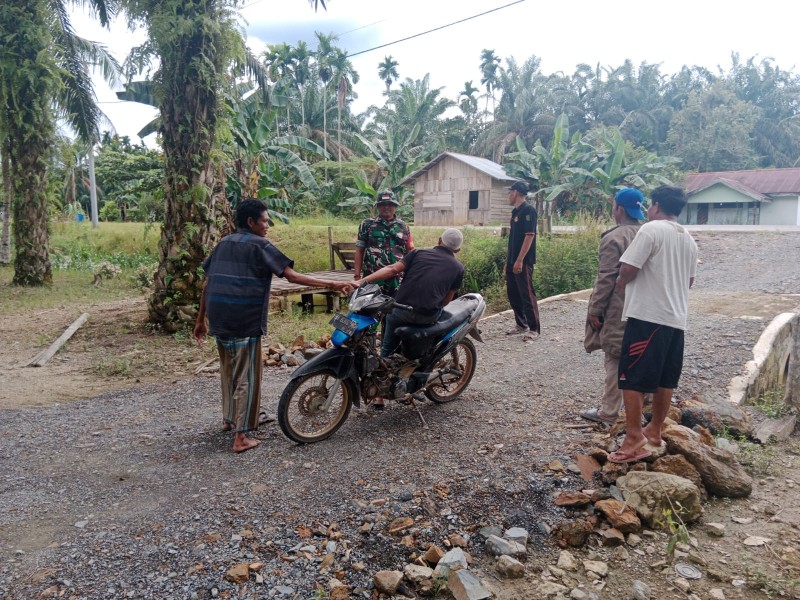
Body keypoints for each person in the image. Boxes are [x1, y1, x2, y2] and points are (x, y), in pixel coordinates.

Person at [193, 199, 352, 453]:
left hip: (219, 317)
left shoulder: (223, 243)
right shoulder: (260, 245)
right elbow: (292, 276)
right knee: (247, 375)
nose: (268, 225)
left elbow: (208, 282)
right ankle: (241, 437)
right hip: (243, 319)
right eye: (265, 220)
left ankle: (231, 419)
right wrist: (333, 285)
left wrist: (201, 320)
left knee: (228, 372)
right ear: (251, 222)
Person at [608, 186, 698, 464]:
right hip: (675, 319)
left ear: (656, 205)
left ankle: (634, 436)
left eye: (650, 204)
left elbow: (628, 268)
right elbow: (690, 281)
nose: (648, 209)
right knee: (664, 378)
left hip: (648, 317)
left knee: (631, 377)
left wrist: (621, 283)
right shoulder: (689, 239)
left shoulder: (651, 229)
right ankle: (655, 431)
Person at [580, 188, 646, 425]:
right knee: (640, 354)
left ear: (618, 208)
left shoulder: (614, 238)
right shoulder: (648, 233)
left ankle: (609, 411)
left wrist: (595, 310)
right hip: (644, 305)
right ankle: (642, 407)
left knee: (615, 356)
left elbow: (606, 277)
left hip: (619, 306)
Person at [355, 228, 465, 359]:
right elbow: (446, 301)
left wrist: (360, 281)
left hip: (400, 311)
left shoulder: (418, 252)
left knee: (387, 347)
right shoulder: (458, 268)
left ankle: (384, 362)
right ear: (457, 250)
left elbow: (392, 269)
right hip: (427, 316)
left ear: (439, 240)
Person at [353, 190, 414, 296]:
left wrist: (411, 275)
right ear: (377, 206)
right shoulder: (367, 225)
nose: (386, 207)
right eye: (382, 204)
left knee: (396, 308)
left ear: (395, 206)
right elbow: (359, 251)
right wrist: (357, 277)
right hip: (373, 277)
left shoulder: (404, 226)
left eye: (390, 204)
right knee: (369, 308)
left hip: (397, 279)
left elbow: (410, 252)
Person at [505, 180, 540, 341]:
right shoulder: (515, 212)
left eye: (509, 192)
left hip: (523, 261)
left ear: (517, 192)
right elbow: (513, 240)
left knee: (526, 293)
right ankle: (521, 324)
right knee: (513, 293)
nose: (508, 195)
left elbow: (529, 236)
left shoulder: (528, 211)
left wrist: (520, 260)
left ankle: (534, 329)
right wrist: (509, 260)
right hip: (512, 259)